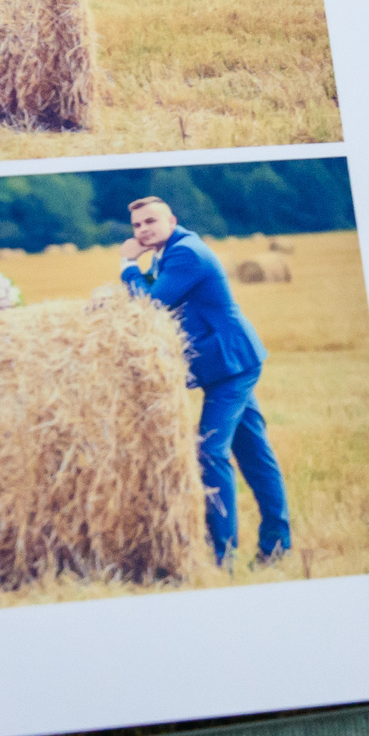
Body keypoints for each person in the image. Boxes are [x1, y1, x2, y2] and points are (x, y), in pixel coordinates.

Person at [118, 197, 291, 565]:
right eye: (137, 226)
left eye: (151, 221)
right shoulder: (169, 252)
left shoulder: (187, 254)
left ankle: (221, 557)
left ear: (171, 220)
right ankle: (277, 546)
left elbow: (149, 303)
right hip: (221, 363)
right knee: (254, 453)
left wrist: (127, 264)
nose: (143, 230)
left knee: (210, 452)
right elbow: (156, 291)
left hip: (231, 363)